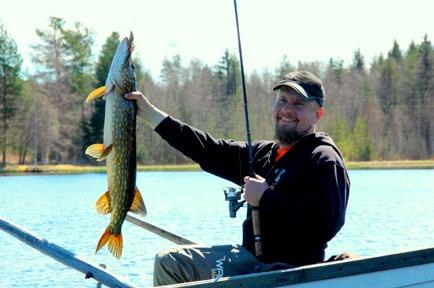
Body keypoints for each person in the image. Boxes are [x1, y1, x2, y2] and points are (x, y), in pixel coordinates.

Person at [125, 70, 350, 286]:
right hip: (249, 264)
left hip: (292, 273)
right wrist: (149, 113)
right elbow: (209, 150)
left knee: (171, 263)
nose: (287, 110)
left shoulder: (324, 159)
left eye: (298, 104)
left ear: (318, 114)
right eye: (282, 100)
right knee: (172, 264)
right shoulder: (265, 154)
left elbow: (327, 223)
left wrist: (266, 198)